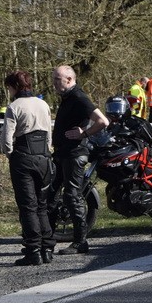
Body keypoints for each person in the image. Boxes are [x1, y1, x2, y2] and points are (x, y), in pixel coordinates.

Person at [50, 65, 109, 256]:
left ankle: (80, 241)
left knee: (72, 196)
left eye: (57, 79)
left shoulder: (79, 97)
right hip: (62, 153)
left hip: (75, 154)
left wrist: (85, 133)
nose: (54, 83)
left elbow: (102, 121)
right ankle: (48, 240)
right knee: (51, 195)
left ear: (69, 79)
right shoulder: (67, 97)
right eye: (53, 79)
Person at [2, 71, 55, 266]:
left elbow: (7, 139)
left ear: (14, 86)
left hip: (23, 156)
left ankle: (32, 249)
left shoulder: (14, 107)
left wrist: (9, 154)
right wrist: (47, 152)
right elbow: (49, 132)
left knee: (27, 206)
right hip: (43, 157)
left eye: (9, 87)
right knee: (42, 205)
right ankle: (47, 248)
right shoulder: (43, 104)